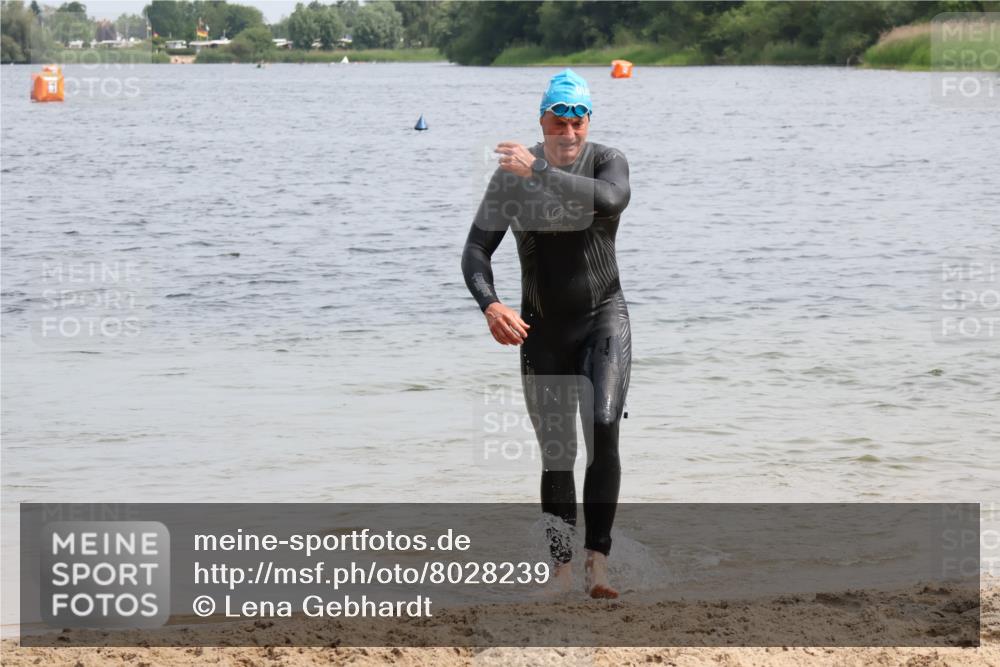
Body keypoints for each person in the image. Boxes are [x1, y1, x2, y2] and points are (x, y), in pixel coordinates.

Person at [461, 69, 632, 599]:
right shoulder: (510, 177)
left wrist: (538, 169)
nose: (569, 134)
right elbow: (474, 252)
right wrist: (490, 306)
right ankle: (560, 571)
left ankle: (596, 564)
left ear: (588, 124)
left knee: (603, 426)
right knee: (557, 450)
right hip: (542, 330)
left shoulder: (607, 161)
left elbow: (611, 200)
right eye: (559, 123)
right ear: (543, 120)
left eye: (577, 124)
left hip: (602, 318)